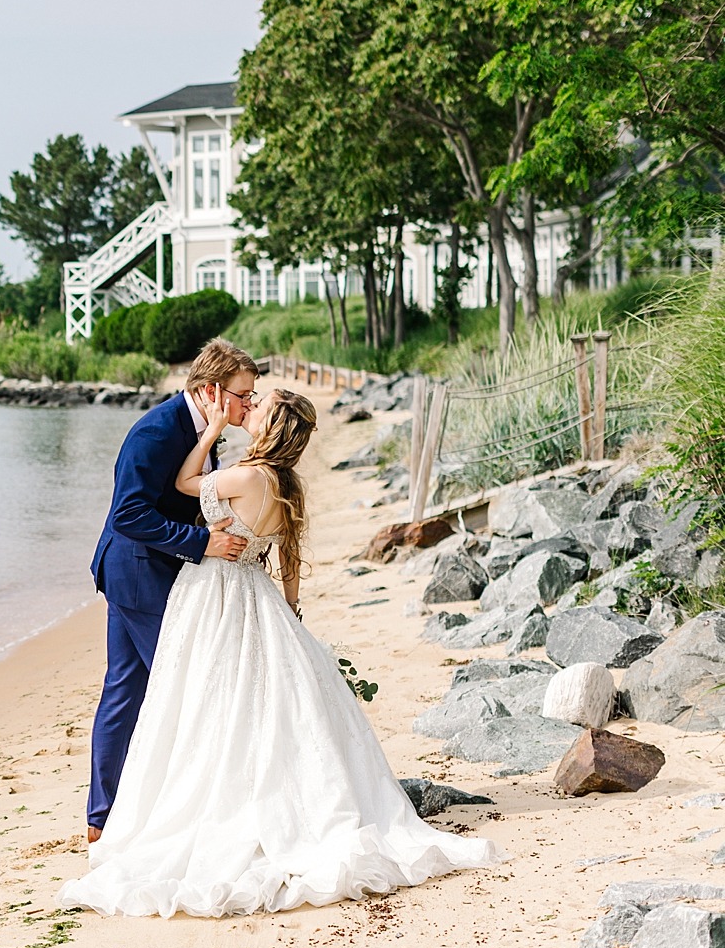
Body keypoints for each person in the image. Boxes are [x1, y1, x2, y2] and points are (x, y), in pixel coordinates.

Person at [60, 386, 504, 918]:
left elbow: (182, 482)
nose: (248, 409)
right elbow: (289, 555)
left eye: (258, 407)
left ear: (271, 428)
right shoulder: (289, 484)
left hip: (217, 593)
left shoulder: (246, 476)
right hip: (261, 597)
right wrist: (290, 611)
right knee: (263, 704)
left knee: (206, 701)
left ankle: (206, 809)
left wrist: (209, 431)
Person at [84, 338, 260, 844]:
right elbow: (129, 514)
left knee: (127, 689)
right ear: (211, 390)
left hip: (152, 570)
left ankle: (105, 815)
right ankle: (134, 813)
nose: (249, 403)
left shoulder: (203, 429)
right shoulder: (158, 432)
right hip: (138, 574)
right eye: (243, 395)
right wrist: (203, 542)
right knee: (185, 684)